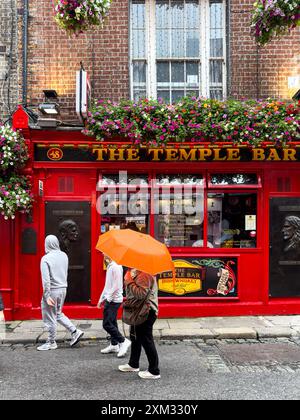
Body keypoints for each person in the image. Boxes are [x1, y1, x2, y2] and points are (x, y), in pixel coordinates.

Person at [37, 235, 84, 351]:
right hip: (63, 288)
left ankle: (51, 342)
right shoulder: (64, 256)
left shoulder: (46, 258)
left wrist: (46, 295)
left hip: (52, 290)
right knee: (57, 313)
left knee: (50, 317)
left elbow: (46, 280)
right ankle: (75, 331)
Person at [118, 269, 160, 380]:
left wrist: (129, 281)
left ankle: (154, 371)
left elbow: (141, 294)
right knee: (135, 337)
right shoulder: (138, 273)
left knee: (146, 340)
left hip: (146, 312)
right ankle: (133, 364)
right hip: (139, 311)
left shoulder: (145, 274)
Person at [97, 255, 131, 358]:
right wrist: (101, 299)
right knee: (112, 322)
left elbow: (117, 285)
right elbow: (107, 285)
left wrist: (108, 299)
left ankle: (123, 341)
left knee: (106, 324)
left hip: (114, 300)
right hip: (110, 298)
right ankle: (114, 344)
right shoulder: (110, 265)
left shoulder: (116, 266)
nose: (103, 254)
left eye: (104, 252)